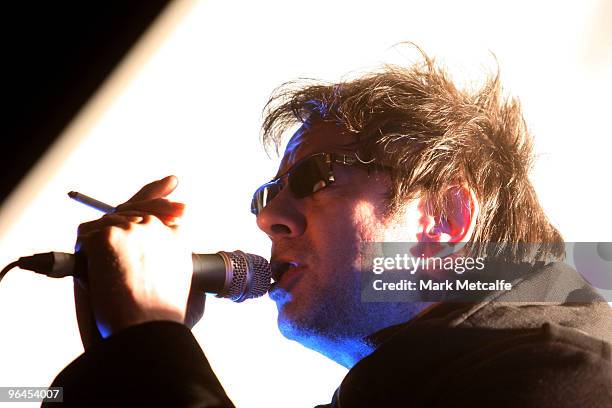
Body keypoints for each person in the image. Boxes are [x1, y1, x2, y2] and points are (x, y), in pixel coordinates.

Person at [46, 49, 612, 407]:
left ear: (443, 218)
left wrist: (151, 344)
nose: (269, 218)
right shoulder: (401, 389)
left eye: (315, 177)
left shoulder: (565, 382)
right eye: (267, 195)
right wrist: (118, 349)